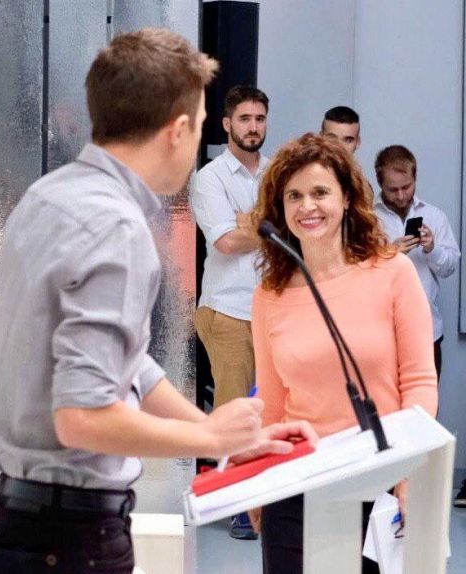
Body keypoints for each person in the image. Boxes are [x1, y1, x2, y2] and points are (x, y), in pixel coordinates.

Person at [0, 29, 315, 574]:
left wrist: (216, 434)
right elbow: (83, 417)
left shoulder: (49, 195)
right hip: (69, 537)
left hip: (25, 521)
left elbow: (126, 362)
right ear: (177, 130)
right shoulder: (115, 225)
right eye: (200, 124)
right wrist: (206, 436)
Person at [250, 133, 438, 574]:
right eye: (294, 196)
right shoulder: (269, 296)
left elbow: (418, 382)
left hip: (380, 478)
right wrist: (259, 482)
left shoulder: (393, 272)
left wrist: (407, 472)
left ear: (347, 198)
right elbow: (271, 403)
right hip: (295, 484)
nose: (307, 206)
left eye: (320, 192)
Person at [189, 84, 270, 540]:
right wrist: (274, 227)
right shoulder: (211, 178)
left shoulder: (277, 172)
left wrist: (250, 223)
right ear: (227, 124)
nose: (253, 127)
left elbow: (302, 227)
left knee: (271, 408)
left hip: (273, 309)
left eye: (259, 119)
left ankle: (263, 499)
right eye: (245, 119)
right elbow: (225, 241)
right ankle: (238, 504)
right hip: (228, 310)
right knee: (236, 409)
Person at [371, 145, 466, 508]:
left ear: (415, 179)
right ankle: (384, 490)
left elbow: (450, 266)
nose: (400, 196)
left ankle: (416, 491)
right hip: (381, 333)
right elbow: (355, 268)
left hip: (427, 332)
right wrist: (388, 252)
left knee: (422, 413)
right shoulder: (368, 218)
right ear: (380, 183)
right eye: (392, 189)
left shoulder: (435, 216)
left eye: (406, 187)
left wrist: (431, 249)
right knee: (384, 410)